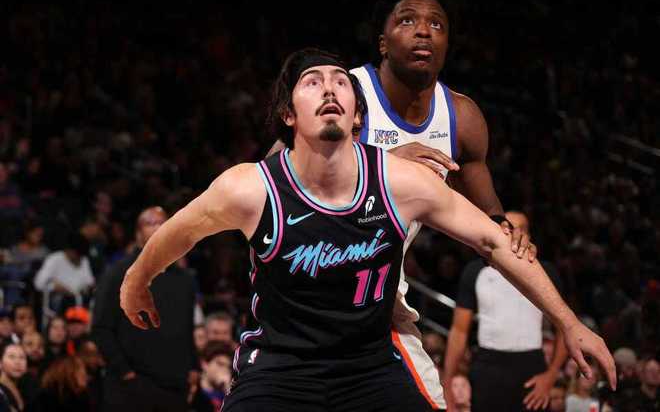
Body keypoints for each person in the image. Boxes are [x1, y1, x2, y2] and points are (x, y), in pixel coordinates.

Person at [119, 48, 615, 412]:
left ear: (358, 114)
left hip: (369, 366)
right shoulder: (251, 188)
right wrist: (135, 282)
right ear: (288, 114)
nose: (329, 88)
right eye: (313, 82)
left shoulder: (400, 182)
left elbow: (492, 240)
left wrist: (569, 323)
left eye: (341, 82)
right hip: (278, 367)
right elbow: (179, 233)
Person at [268, 0, 539, 409]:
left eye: (437, 24)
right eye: (408, 20)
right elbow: (273, 180)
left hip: (378, 294)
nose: (424, 31)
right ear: (383, 43)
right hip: (302, 286)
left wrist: (510, 235)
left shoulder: (461, 119)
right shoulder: (341, 91)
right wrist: (381, 164)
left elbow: (492, 223)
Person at [444, 211, 568, 411]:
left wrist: (552, 374)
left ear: (529, 235)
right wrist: (447, 380)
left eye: (520, 229)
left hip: (532, 367)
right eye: (508, 227)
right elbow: (459, 331)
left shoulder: (546, 272)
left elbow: (564, 328)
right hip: (487, 368)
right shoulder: (475, 271)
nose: (513, 233)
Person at [92, 206, 197, 412]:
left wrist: (194, 367)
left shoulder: (185, 280)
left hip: (174, 386)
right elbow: (101, 328)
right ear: (138, 233)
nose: (157, 227)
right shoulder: (119, 273)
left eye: (162, 222)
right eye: (150, 223)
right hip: (130, 386)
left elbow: (187, 329)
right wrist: (124, 372)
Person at [0, 343, 27, 412]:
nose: (18, 362)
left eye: (22, 357)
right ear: (0, 363)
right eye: (11, 357)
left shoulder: (27, 388)